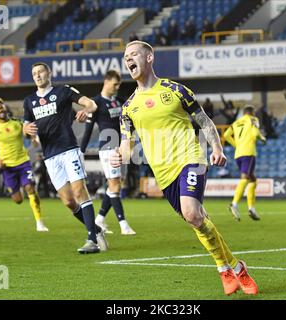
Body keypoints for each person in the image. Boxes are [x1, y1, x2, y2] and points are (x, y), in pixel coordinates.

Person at [111, 41, 258, 295]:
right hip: (164, 174)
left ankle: (223, 269)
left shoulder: (176, 90)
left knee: (192, 213)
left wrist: (217, 148)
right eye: (125, 57)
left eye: (134, 54)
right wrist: (119, 155)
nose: (128, 60)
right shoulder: (128, 108)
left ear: (149, 58)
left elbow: (204, 121)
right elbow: (126, 145)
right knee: (198, 220)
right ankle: (235, 266)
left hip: (191, 158)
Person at [22, 62, 108, 254]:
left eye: (40, 72)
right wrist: (26, 130)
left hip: (69, 149)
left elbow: (91, 104)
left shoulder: (63, 91)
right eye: (34, 73)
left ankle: (91, 240)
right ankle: (97, 230)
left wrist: (86, 110)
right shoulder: (29, 101)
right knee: (69, 201)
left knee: (79, 191)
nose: (37, 75)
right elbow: (26, 127)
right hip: (50, 156)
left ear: (49, 73)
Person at [78, 70, 136, 235]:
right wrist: (81, 151)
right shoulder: (96, 103)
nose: (117, 87)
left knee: (116, 185)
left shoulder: (119, 101)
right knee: (115, 185)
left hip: (122, 147)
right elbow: (88, 129)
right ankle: (123, 224)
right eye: (115, 84)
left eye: (119, 84)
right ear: (106, 82)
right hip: (108, 147)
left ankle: (100, 219)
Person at [0, 98, 49, 232]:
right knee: (18, 200)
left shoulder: (17, 123)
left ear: (5, 108)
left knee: (30, 188)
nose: (0, 110)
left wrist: (33, 139)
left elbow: (28, 134)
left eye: (1, 107)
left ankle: (39, 222)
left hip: (23, 163)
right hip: (7, 167)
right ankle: (18, 190)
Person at [223, 105, 266, 222]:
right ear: (251, 112)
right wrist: (262, 138)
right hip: (249, 152)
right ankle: (234, 204)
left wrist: (237, 145)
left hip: (238, 154)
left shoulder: (236, 122)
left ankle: (251, 208)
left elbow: (226, 135)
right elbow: (255, 133)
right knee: (245, 178)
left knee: (253, 180)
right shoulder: (253, 119)